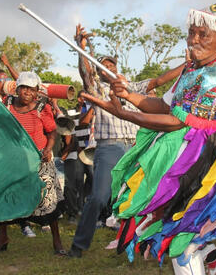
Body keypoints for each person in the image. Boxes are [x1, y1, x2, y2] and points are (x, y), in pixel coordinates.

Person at [80, 3, 216, 275]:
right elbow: (164, 106)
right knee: (180, 234)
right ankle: (213, 259)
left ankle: (211, 257)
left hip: (215, 166)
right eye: (192, 33)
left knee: (182, 241)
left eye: (203, 35)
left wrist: (125, 114)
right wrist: (128, 96)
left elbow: (178, 122)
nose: (194, 40)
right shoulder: (191, 71)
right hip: (189, 158)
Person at [68, 25, 151, 258]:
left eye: (113, 64)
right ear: (100, 71)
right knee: (99, 197)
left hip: (136, 148)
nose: (110, 67)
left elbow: (157, 81)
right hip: (110, 147)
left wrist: (187, 65)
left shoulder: (130, 87)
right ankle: (78, 246)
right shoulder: (98, 88)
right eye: (105, 65)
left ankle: (144, 243)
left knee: (145, 195)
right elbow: (86, 73)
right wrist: (81, 48)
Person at [0, 72, 66, 255]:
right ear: (17, 89)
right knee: (6, 197)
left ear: (37, 92)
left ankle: (57, 242)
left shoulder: (41, 107)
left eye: (32, 89)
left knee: (48, 199)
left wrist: (48, 149)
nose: (27, 93)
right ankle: (3, 238)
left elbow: (52, 132)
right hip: (13, 159)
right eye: (24, 88)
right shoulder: (7, 104)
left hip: (38, 159)